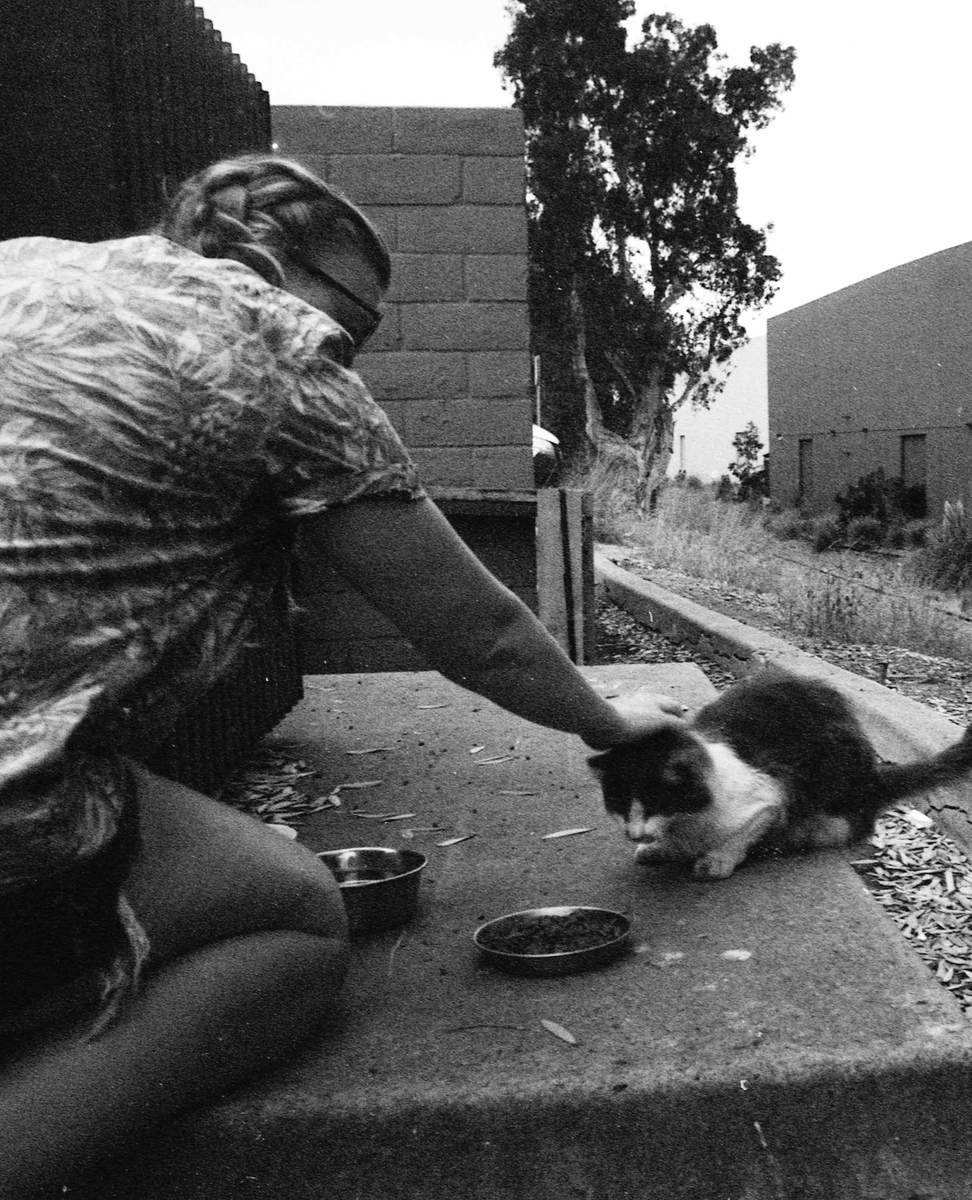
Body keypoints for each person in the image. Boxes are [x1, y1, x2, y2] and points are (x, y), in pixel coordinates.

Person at [0, 154, 683, 1198]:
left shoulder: (28, 270)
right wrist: (607, 720)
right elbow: (481, 633)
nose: (353, 352)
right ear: (267, 259)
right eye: (354, 323)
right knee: (298, 920)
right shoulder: (273, 348)